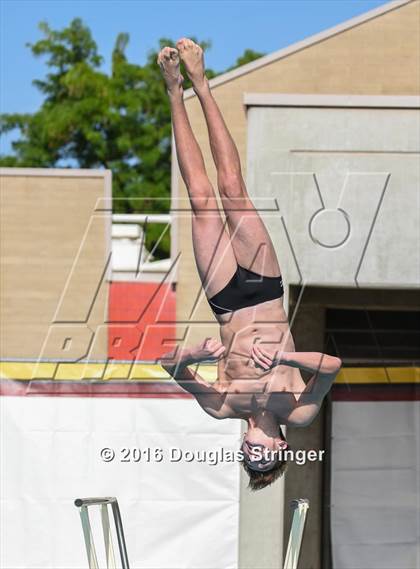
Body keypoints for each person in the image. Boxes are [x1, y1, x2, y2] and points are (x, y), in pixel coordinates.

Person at [158, 38, 342, 491]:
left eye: (248, 460)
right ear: (280, 449)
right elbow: (332, 366)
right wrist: (282, 355)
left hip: (225, 303)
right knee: (233, 190)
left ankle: (173, 91)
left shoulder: (223, 406)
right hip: (266, 289)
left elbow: (169, 365)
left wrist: (196, 356)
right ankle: (202, 83)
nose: (252, 451)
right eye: (262, 460)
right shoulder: (298, 410)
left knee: (201, 203)